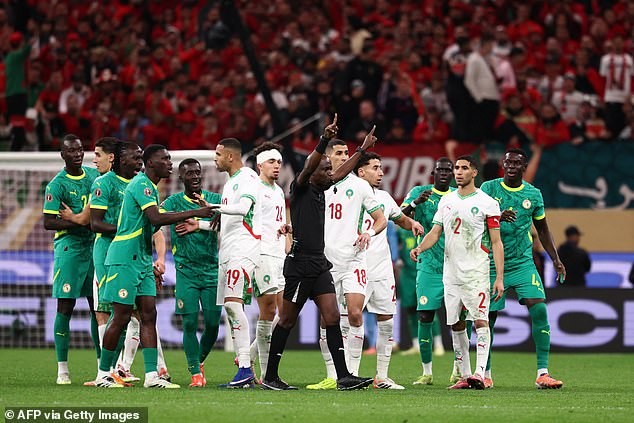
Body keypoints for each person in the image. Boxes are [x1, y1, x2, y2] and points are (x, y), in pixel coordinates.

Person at [261, 115, 376, 391]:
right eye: (325, 169)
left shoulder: (322, 188)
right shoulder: (300, 187)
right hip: (299, 265)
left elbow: (340, 173)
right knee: (287, 320)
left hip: (319, 265)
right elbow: (313, 166)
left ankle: (343, 376)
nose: (330, 174)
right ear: (312, 171)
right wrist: (324, 139)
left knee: (333, 317)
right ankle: (270, 376)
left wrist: (362, 150)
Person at [95, 144, 215, 388]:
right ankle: (103, 374)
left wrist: (154, 260)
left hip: (141, 259)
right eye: (165, 159)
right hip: (124, 258)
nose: (170, 163)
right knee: (120, 316)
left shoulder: (151, 188)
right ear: (150, 163)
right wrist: (195, 212)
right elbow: (156, 218)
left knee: (149, 315)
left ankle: (151, 376)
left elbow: (153, 226)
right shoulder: (141, 185)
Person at [410, 155, 504, 390]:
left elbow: (496, 242)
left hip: (476, 271)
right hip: (450, 272)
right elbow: (435, 232)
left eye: (464, 168)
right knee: (456, 324)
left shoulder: (487, 202)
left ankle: (480, 373)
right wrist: (420, 248)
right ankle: (465, 375)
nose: (458, 172)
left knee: (480, 320)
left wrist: (499, 277)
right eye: (457, 168)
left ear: (474, 172)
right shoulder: (447, 201)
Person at [481, 148, 566, 389]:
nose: (511, 167)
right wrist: (496, 216)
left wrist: (555, 259)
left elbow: (543, 229)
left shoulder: (533, 194)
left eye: (516, 163)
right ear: (503, 164)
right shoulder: (488, 188)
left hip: (522, 263)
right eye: (508, 162)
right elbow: (473, 218)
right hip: (491, 263)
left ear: (524, 167)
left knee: (539, 309)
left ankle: (543, 373)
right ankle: (485, 374)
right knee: (487, 319)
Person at [310, 135, 387, 388]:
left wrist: (369, 233)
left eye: (346, 153)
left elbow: (381, 219)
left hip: (354, 260)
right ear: (328, 157)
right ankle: (331, 375)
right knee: (327, 318)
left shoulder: (360, 186)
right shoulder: (319, 184)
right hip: (326, 262)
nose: (344, 157)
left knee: (355, 313)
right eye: (340, 153)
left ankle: (351, 373)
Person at [193, 137, 262, 388]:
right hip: (228, 251)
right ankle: (244, 369)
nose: (215, 159)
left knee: (233, 306)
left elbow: (243, 209)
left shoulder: (248, 177)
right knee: (232, 309)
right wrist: (199, 224)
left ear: (230, 156)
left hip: (243, 250)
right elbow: (227, 222)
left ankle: (244, 367)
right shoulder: (230, 182)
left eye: (218, 155)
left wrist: (212, 206)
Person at [355, 152, 423, 389]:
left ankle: (381, 377)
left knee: (386, 319)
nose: (381, 172)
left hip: (382, 268)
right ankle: (349, 375)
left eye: (381, 167)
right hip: (355, 265)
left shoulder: (384, 197)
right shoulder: (348, 195)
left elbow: (399, 218)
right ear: (361, 171)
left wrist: (412, 223)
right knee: (352, 318)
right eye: (375, 168)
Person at [43, 134, 101, 385]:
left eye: (80, 150)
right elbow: (48, 222)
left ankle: (102, 367)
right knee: (65, 307)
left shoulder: (94, 177)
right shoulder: (56, 185)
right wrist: (81, 223)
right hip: (69, 249)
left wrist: (79, 219)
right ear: (63, 155)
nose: (78, 154)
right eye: (72, 151)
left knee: (97, 308)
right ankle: (62, 370)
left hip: (94, 247)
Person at [161, 158, 222, 387]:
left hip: (211, 270)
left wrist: (207, 218)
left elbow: (229, 223)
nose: (195, 176)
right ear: (181, 177)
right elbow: (156, 217)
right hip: (185, 271)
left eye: (197, 172)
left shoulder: (215, 200)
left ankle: (200, 360)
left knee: (213, 325)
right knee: (189, 324)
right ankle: (195, 372)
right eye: (190, 173)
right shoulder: (173, 202)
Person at [88, 141, 143, 385]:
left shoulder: (139, 183)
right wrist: (126, 230)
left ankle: (122, 368)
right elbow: (96, 223)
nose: (139, 162)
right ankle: (106, 370)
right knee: (112, 310)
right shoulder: (103, 183)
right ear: (120, 159)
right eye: (136, 157)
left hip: (134, 251)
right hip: (108, 251)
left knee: (137, 312)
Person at [401, 158, 458, 386]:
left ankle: (459, 369)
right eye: (440, 169)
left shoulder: (458, 195)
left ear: (452, 174)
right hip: (428, 264)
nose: (444, 173)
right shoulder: (419, 192)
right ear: (433, 172)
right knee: (425, 315)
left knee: (460, 319)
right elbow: (400, 216)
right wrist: (416, 203)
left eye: (448, 170)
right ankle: (427, 372)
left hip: (456, 265)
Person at [251, 142, 287, 382]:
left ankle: (249, 354)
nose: (277, 166)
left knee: (285, 314)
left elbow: (278, 222)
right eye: (272, 162)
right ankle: (265, 374)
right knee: (269, 309)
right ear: (260, 165)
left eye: (279, 162)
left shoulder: (279, 191)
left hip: (279, 255)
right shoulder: (253, 189)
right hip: (261, 254)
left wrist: (286, 234)